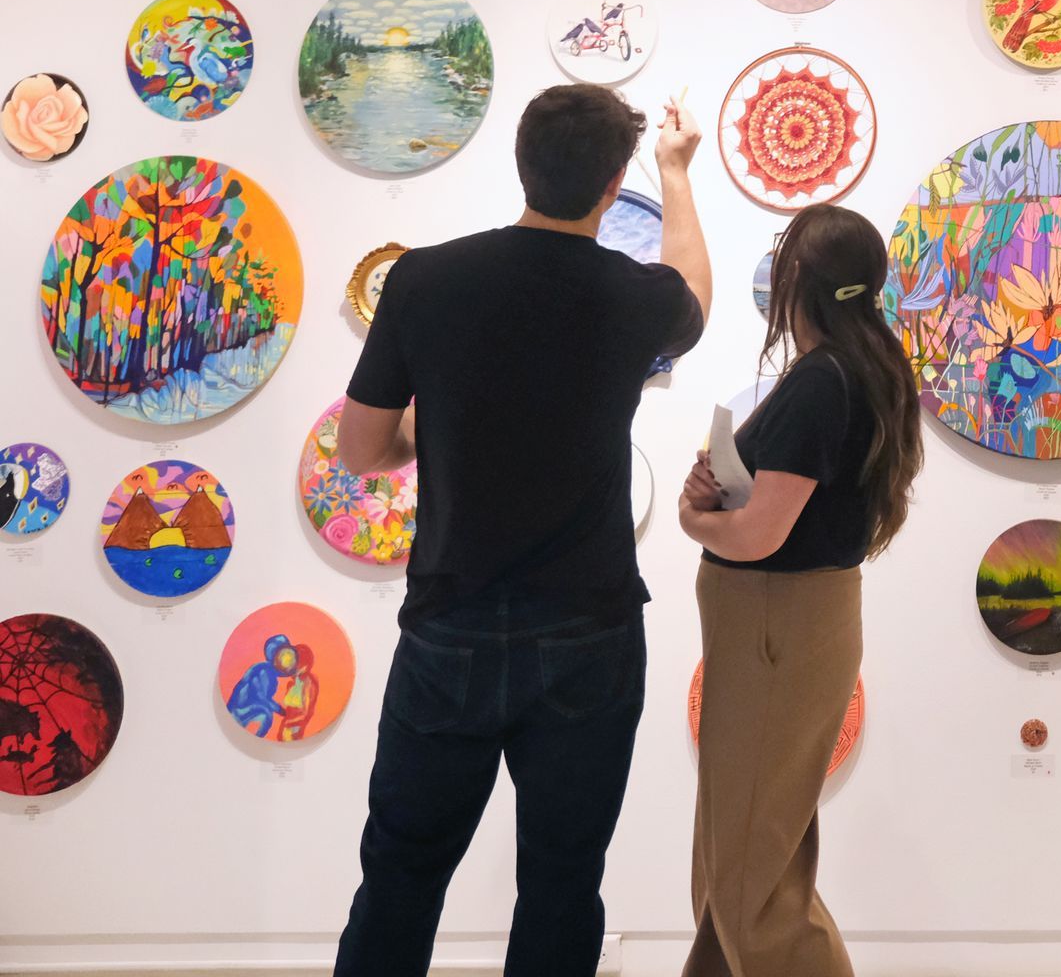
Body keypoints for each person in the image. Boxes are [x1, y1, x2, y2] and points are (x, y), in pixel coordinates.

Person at [332, 84, 712, 977]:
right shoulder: (632, 297)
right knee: (561, 879)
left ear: (520, 161)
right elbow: (694, 294)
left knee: (400, 877)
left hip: (451, 628)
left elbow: (360, 449)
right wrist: (678, 173)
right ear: (614, 183)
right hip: (589, 631)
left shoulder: (424, 277)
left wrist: (447, 423)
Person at [676, 204, 923, 977]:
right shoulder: (864, 366)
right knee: (741, 857)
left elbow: (758, 536)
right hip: (789, 625)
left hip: (775, 628)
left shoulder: (824, 381)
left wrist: (693, 517)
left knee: (751, 880)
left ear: (794, 284)